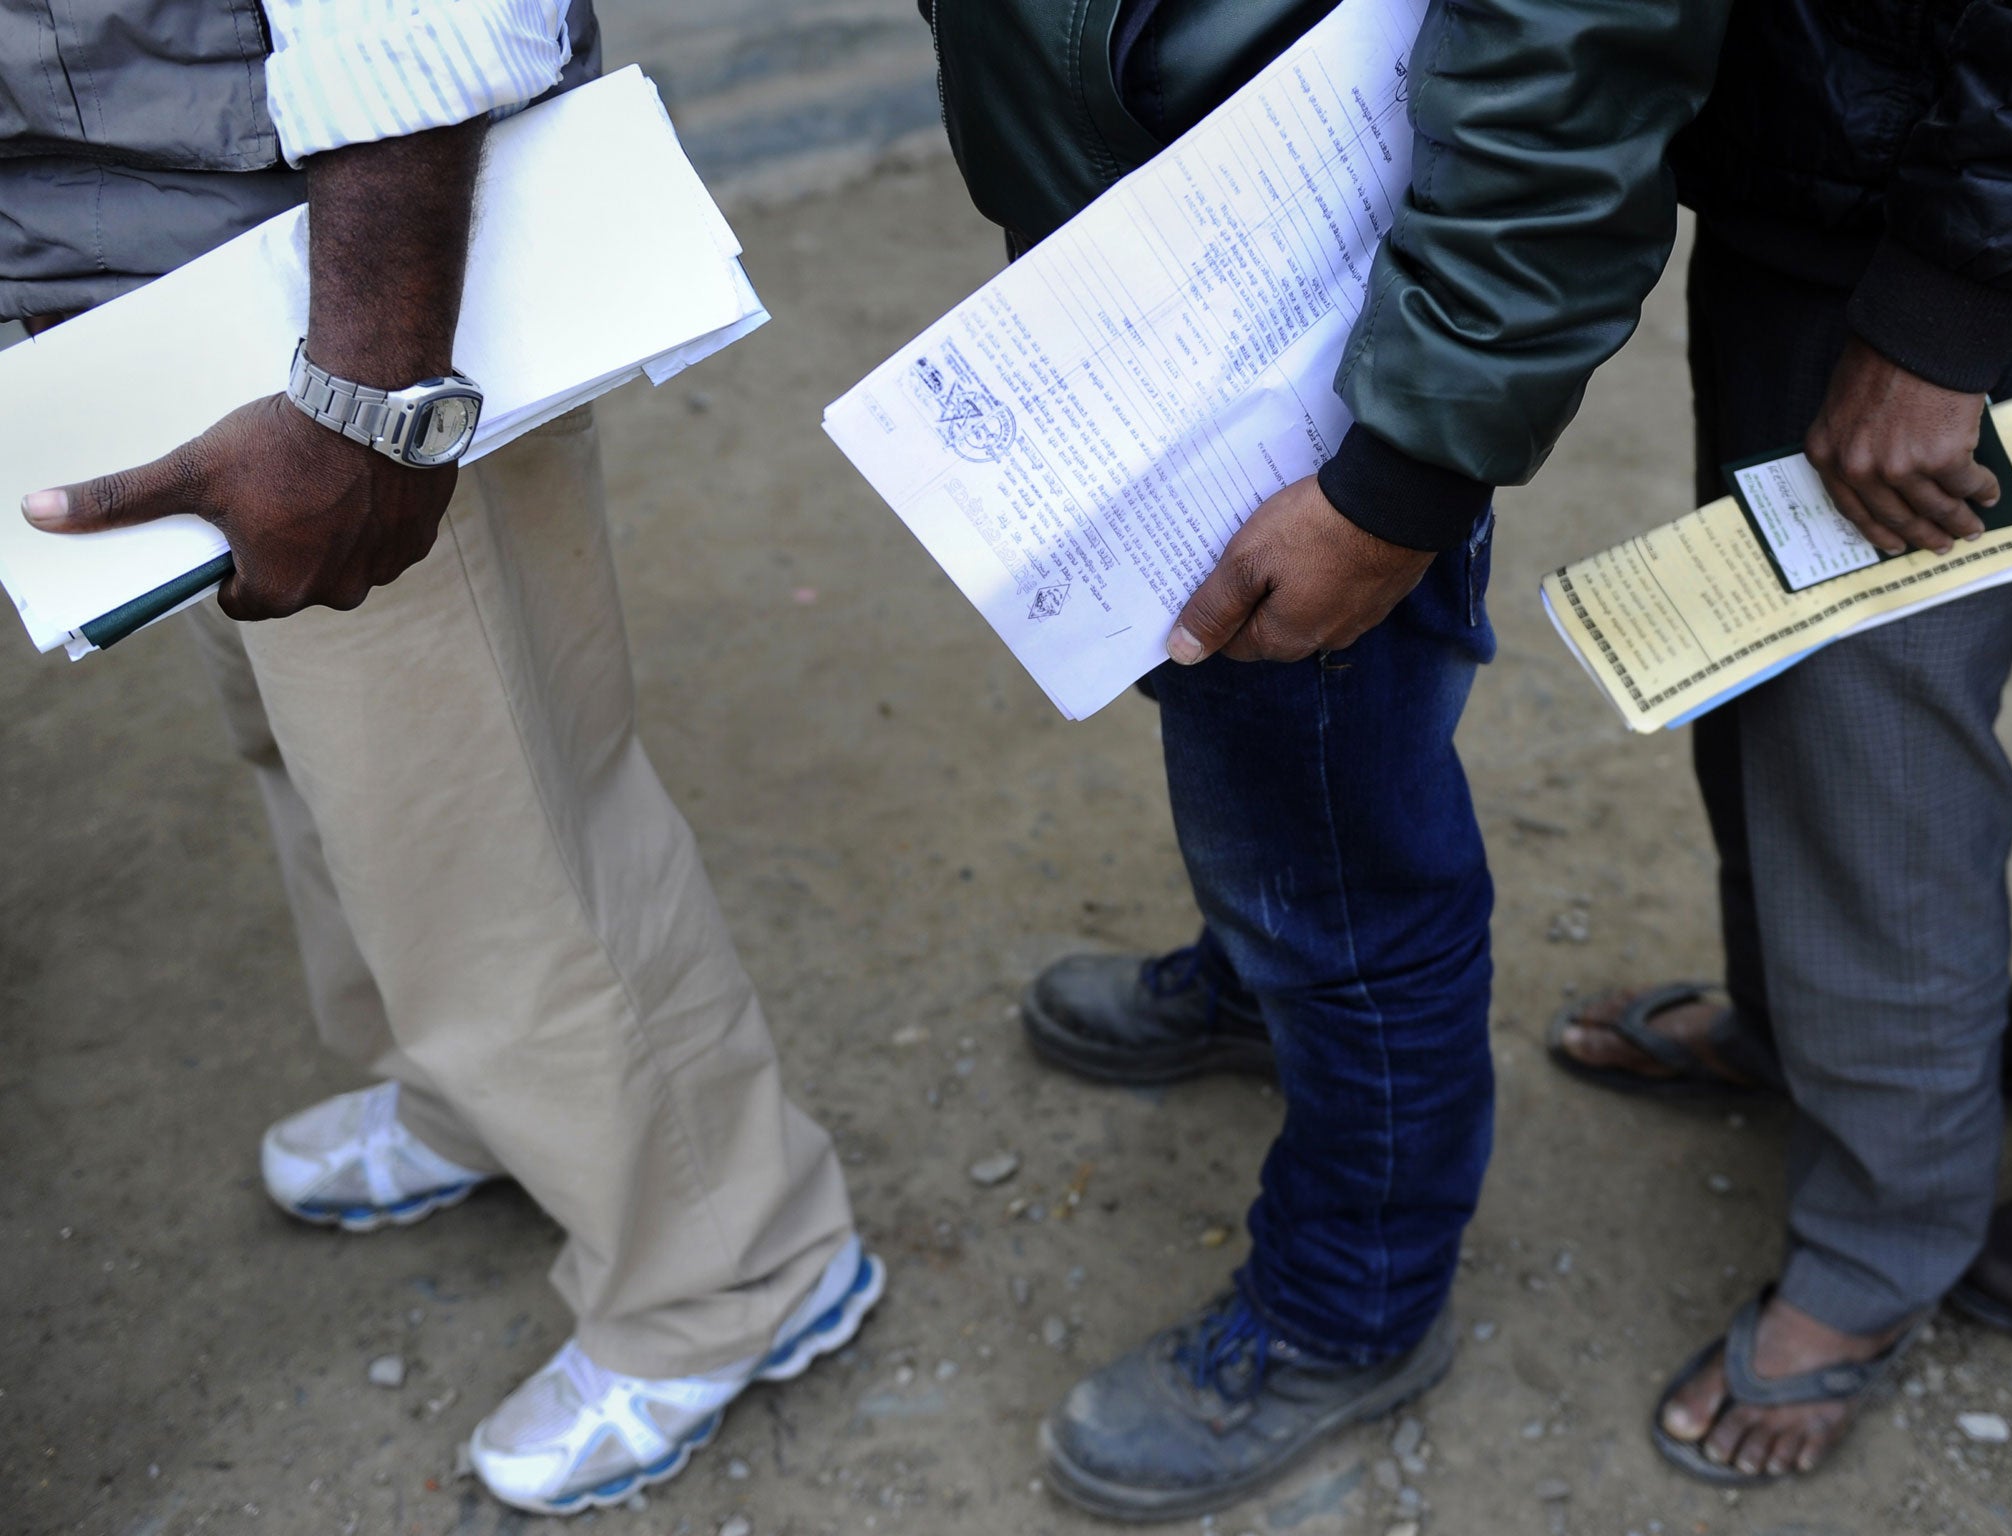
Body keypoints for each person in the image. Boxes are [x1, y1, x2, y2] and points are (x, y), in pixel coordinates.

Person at [6, 0, 878, 1516]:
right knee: (325, 770)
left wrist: (373, 395)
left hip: (334, 312)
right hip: (157, 296)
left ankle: (735, 1275)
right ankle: (472, 1094)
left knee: (493, 833)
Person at [928, 0, 1729, 1518]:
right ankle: (1255, 979)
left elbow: (1575, 56)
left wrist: (1401, 472)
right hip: (1151, 272)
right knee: (1249, 753)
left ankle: (1349, 1309)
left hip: (1316, 353)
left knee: (1345, 873)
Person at [1538, 0, 2012, 1485]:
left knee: (1865, 752)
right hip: (1829, 150)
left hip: (1947, 224)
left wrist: (1946, 304)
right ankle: (1797, 1029)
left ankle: (1878, 1251)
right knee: (1763, 679)